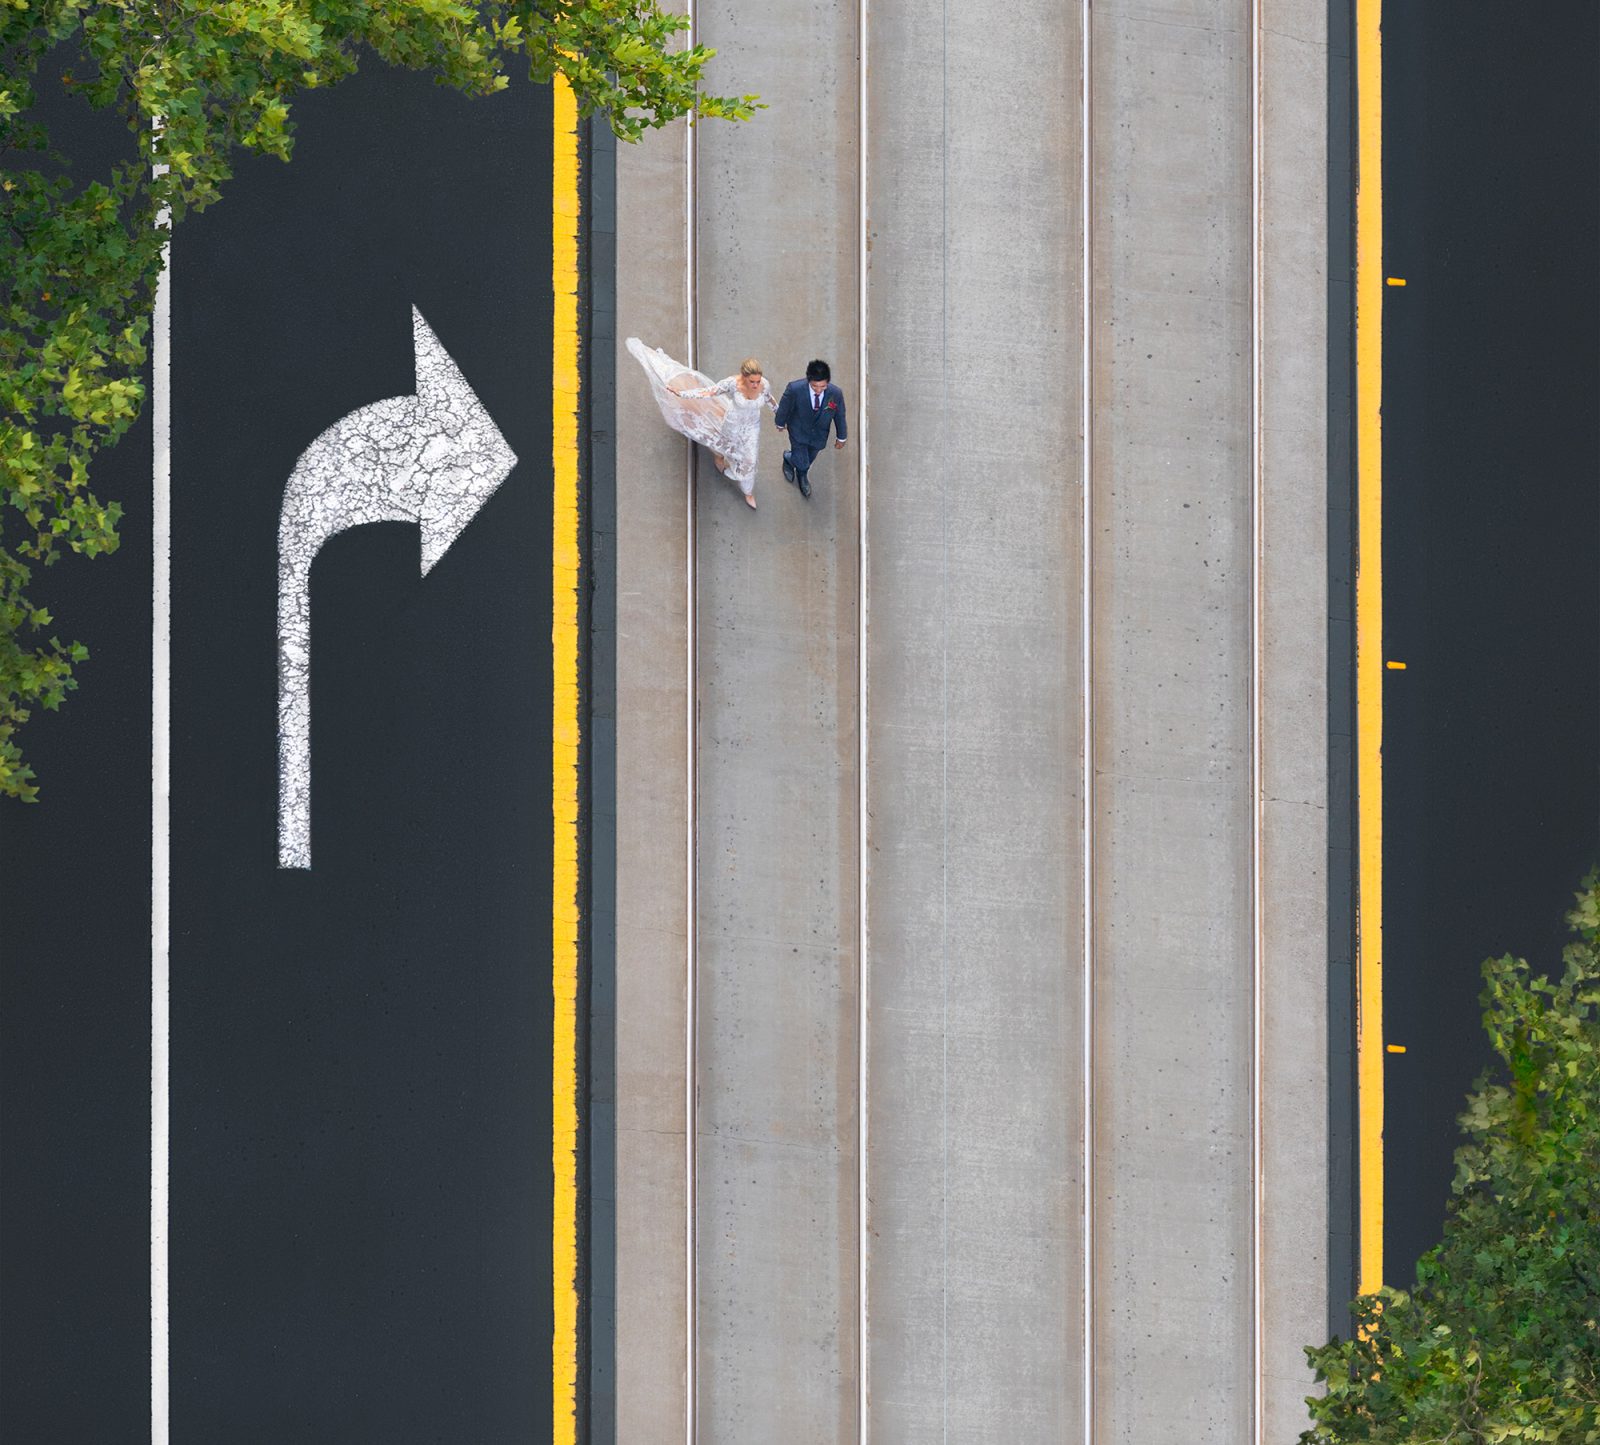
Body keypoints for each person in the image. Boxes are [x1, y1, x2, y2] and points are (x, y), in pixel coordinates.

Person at [625, 338, 776, 509]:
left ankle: (747, 491)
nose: (756, 385)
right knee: (722, 443)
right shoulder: (732, 384)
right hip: (732, 425)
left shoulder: (764, 385)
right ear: (744, 377)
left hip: (751, 429)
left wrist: (780, 417)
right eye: (752, 382)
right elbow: (708, 392)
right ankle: (719, 456)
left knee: (749, 459)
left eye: (758, 381)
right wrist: (683, 394)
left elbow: (769, 399)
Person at [774, 359, 848, 499]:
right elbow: (784, 407)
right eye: (815, 386)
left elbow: (840, 415)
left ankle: (789, 458)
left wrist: (841, 437)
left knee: (810, 457)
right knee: (803, 461)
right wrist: (780, 422)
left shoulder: (836, 393)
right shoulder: (795, 389)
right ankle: (802, 476)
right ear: (809, 380)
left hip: (819, 436)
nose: (819, 390)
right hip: (798, 432)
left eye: (823, 386)